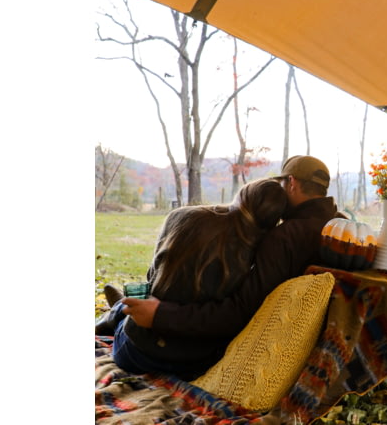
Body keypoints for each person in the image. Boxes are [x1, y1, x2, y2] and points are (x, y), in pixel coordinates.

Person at [120, 155, 346, 341]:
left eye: (282, 184)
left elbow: (242, 311)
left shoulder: (284, 238)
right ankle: (117, 313)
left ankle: (117, 314)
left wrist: (163, 315)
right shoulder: (343, 225)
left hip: (262, 337)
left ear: (292, 183)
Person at [100, 178, 288, 380]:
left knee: (131, 309)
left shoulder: (183, 216)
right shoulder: (264, 255)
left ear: (242, 195)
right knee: (134, 307)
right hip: (198, 362)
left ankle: (115, 313)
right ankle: (119, 308)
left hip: (140, 353)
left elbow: (152, 278)